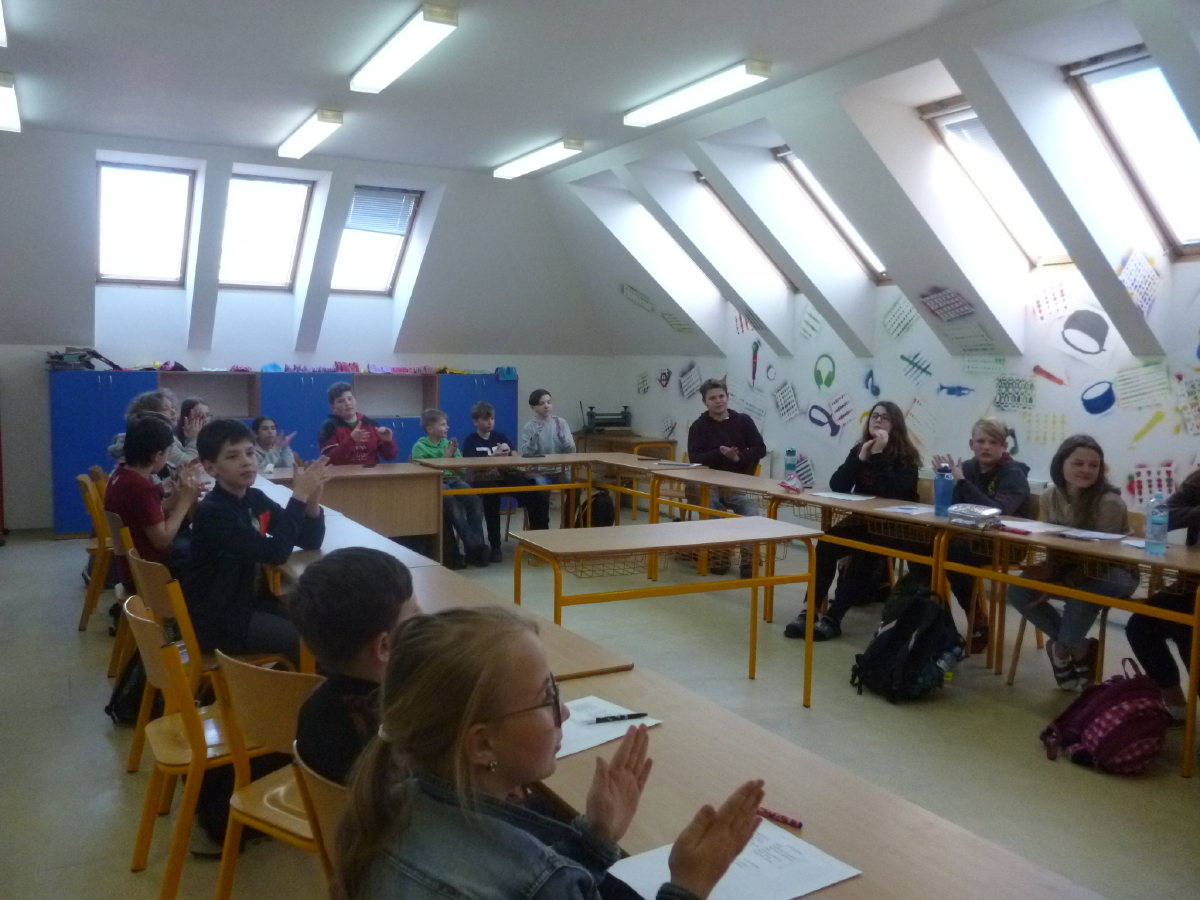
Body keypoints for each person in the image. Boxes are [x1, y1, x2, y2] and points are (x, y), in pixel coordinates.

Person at [331, 606, 765, 900]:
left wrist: (595, 839)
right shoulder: (541, 883)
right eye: (547, 697)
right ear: (482, 744)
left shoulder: (387, 809)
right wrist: (689, 885)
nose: (565, 711)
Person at [183, 419, 329, 663]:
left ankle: (300, 680)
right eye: (233, 456)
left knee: (322, 627)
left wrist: (312, 502)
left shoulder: (254, 498)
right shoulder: (213, 512)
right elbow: (276, 553)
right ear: (210, 468)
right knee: (311, 642)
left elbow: (309, 540)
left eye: (250, 453)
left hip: (251, 602)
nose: (246, 461)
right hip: (222, 619)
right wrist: (298, 496)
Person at [784, 400, 920, 642]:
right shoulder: (861, 449)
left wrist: (879, 455)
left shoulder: (906, 456)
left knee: (866, 554)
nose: (878, 420)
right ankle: (809, 610)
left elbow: (894, 492)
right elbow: (838, 485)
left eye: (885, 417)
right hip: (861, 521)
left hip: (894, 527)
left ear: (895, 424)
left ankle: (834, 617)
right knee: (826, 544)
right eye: (874, 416)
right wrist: (860, 457)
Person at [1008, 435, 1135, 690]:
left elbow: (1102, 559)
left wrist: (1063, 583)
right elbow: (1054, 545)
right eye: (1078, 463)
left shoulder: (1109, 502)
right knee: (1018, 590)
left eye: (1093, 465)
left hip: (1114, 572)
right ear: (1061, 464)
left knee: (1081, 594)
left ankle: (1061, 651)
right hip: (1068, 569)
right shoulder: (1049, 496)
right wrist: (1049, 572)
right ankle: (1078, 647)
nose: (1086, 470)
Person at [292, 547, 418, 784]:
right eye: (414, 614)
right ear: (384, 646)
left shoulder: (314, 707)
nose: (424, 617)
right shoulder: (396, 734)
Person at [931, 417, 1030, 652]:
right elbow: (952, 509)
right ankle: (939, 620)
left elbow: (997, 513)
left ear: (1004, 446)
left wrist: (961, 482)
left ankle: (977, 620)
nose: (986, 447)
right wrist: (945, 481)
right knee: (926, 545)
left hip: (1006, 544)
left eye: (994, 442)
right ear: (971, 444)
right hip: (970, 538)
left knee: (954, 552)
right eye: (981, 441)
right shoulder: (966, 468)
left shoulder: (1013, 474)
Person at [1125, 468, 1200, 722]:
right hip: (1191, 583)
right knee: (1142, 626)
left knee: (1189, 632)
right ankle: (1176, 705)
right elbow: (1162, 514)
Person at [686, 379, 767, 577]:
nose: (718, 401)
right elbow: (694, 458)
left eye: (721, 396)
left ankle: (749, 559)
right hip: (707, 482)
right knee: (711, 506)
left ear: (728, 397)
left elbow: (760, 449)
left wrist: (739, 457)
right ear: (705, 402)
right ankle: (720, 554)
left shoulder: (744, 421)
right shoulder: (698, 426)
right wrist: (719, 454)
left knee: (750, 508)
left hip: (736, 482)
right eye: (712, 398)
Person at [104, 414, 202, 576]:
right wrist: (185, 502)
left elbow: (147, 514)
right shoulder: (140, 487)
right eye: (167, 453)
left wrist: (178, 496)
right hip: (151, 570)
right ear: (157, 455)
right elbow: (162, 541)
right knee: (207, 548)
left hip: (133, 564)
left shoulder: (121, 474)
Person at [462, 401, 548, 563]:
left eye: (492, 418)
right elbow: (471, 467)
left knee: (535, 492)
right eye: (486, 419)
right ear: (476, 421)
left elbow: (516, 458)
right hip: (483, 479)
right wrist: (493, 458)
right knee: (491, 496)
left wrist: (509, 454)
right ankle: (495, 546)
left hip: (505, 475)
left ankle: (539, 541)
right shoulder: (470, 440)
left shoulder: (500, 436)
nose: (490, 422)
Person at [412, 408, 490, 568]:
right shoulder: (420, 447)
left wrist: (455, 456)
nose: (447, 427)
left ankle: (474, 548)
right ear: (430, 429)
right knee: (450, 499)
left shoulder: (448, 444)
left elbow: (461, 471)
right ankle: (475, 547)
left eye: (446, 424)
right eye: (442, 424)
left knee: (474, 500)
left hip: (453, 479)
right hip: (434, 482)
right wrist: (445, 458)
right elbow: (422, 474)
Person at [518, 389, 575, 529]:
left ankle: (568, 525)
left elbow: (572, 450)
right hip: (539, 472)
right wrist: (533, 440)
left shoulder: (561, 423)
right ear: (533, 407)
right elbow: (526, 453)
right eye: (541, 403)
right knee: (541, 490)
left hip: (560, 470)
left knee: (576, 487)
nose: (546, 406)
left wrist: (563, 439)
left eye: (549, 402)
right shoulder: (529, 427)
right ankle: (543, 528)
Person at [319, 382, 398, 466]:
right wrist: (351, 441)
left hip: (370, 473)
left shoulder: (371, 424)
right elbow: (329, 461)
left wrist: (388, 442)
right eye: (341, 401)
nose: (347, 403)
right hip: (343, 474)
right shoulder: (329, 427)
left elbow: (390, 457)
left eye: (350, 398)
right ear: (333, 407)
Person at [106, 389, 179, 466]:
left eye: (172, 407)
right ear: (149, 415)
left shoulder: (170, 438)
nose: (173, 412)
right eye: (165, 409)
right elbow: (185, 463)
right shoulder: (151, 444)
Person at [174, 397, 211, 468]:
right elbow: (188, 464)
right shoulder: (174, 439)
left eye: (207, 415)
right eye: (200, 416)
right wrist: (193, 439)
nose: (206, 419)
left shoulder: (213, 438)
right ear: (186, 418)